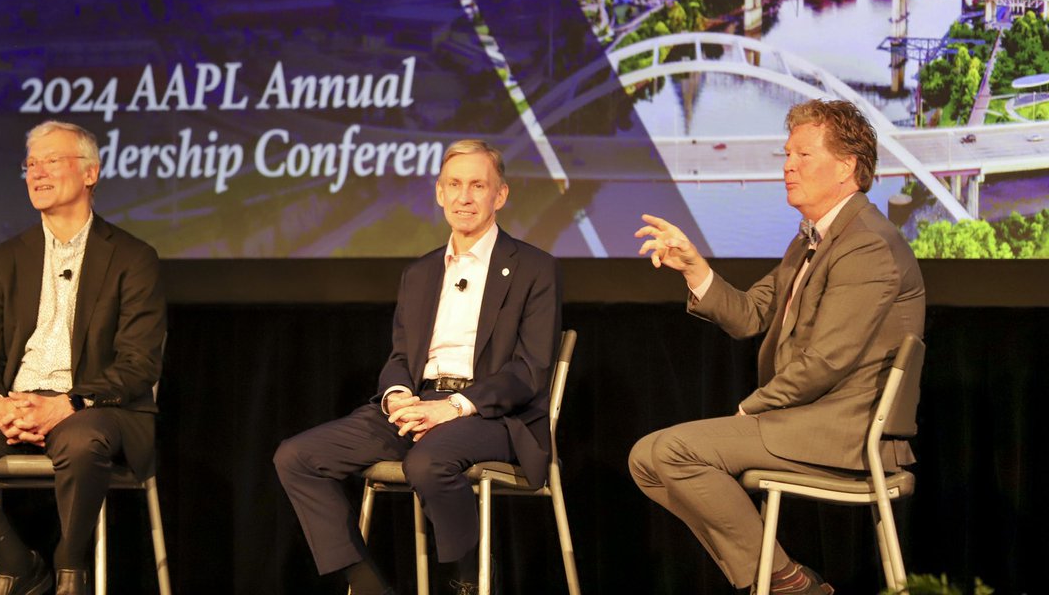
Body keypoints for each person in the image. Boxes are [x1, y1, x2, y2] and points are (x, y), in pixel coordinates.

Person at [628, 99, 925, 594]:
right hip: (808, 418)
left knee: (675, 452)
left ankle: (784, 583)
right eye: (786, 154)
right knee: (645, 459)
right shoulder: (815, 238)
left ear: (846, 167)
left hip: (844, 429)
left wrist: (751, 408)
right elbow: (749, 316)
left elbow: (826, 361)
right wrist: (694, 266)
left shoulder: (866, 243)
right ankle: (783, 579)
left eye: (802, 155)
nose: (788, 165)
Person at [274, 139, 561, 595]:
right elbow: (400, 359)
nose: (464, 197)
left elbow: (529, 371)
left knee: (427, 463)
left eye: (477, 185)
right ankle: (366, 584)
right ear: (439, 193)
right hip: (418, 404)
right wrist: (398, 396)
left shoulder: (533, 267)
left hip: (491, 413)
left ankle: (467, 579)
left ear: (499, 196)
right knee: (297, 457)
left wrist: (455, 407)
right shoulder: (420, 273)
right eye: (454, 185)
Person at [0, 120, 166, 595]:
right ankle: (18, 564)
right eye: (31, 164)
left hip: (96, 410)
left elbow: (137, 364)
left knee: (82, 441)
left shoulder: (133, 257)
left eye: (52, 160)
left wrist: (67, 402)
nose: (37, 173)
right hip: (16, 404)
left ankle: (71, 563)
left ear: (91, 173)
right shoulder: (3, 259)